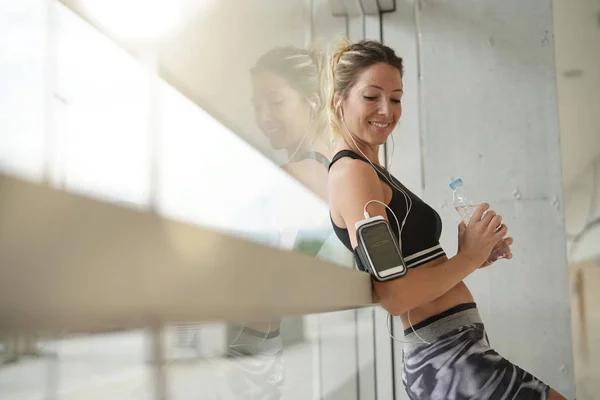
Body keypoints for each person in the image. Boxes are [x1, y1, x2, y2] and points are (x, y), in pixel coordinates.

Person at [326, 38, 567, 400]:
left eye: (396, 98)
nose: (386, 110)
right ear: (339, 100)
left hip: (453, 354)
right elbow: (394, 296)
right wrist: (466, 258)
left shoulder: (372, 171)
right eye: (371, 96)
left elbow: (411, 272)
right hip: (449, 360)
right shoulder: (353, 174)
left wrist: (475, 252)